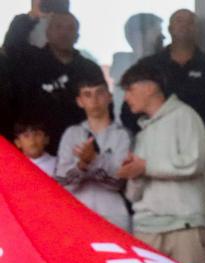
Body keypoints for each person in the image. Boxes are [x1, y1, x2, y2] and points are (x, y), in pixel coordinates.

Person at [118, 64, 205, 263]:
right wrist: (134, 174)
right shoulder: (141, 134)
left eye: (130, 90)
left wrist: (146, 166)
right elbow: (134, 195)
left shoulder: (185, 116)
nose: (126, 98)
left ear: (150, 87)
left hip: (184, 226)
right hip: (146, 228)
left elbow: (193, 162)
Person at [132, 9, 205, 139]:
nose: (184, 25)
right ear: (169, 28)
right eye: (179, 21)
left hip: (202, 148)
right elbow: (130, 108)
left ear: (197, 30)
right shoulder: (149, 66)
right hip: (156, 147)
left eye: (190, 22)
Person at [57, 71, 133, 229]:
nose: (94, 100)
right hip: (77, 215)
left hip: (114, 215)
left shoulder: (122, 134)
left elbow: (119, 182)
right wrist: (82, 165)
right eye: (87, 94)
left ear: (109, 97)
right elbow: (61, 181)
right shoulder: (71, 134)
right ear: (79, 101)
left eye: (100, 93)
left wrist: (94, 160)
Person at [3, 4, 87, 142]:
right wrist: (32, 16)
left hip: (76, 149)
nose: (64, 33)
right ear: (48, 32)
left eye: (70, 28)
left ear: (77, 36)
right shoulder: (31, 61)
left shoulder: (88, 69)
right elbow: (11, 47)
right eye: (58, 27)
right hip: (34, 147)